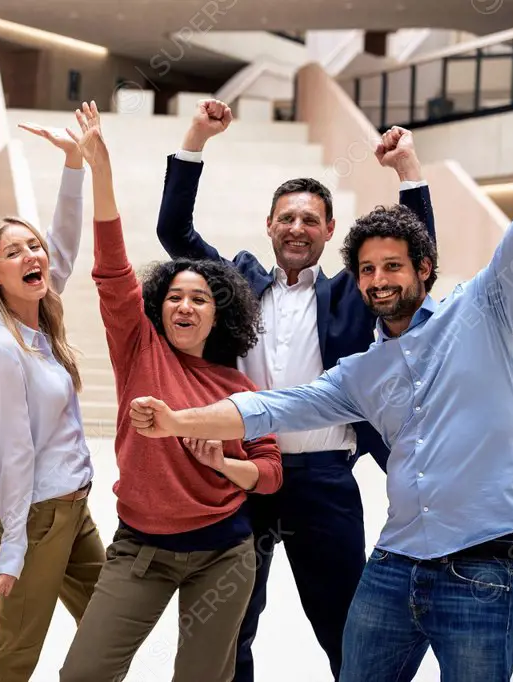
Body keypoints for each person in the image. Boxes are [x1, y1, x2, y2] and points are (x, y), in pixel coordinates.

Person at [130, 180, 513, 681]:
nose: (378, 279)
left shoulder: (481, 307)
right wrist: (175, 422)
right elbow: (270, 408)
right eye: (368, 270)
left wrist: (411, 172)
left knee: (345, 630)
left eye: (392, 267)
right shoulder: (359, 373)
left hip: (473, 560)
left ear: (424, 269)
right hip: (377, 548)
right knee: (278, 641)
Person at [154, 98, 437, 681]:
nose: (297, 228)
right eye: (286, 217)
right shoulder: (235, 282)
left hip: (324, 484)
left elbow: (416, 258)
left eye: (310, 219)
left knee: (348, 629)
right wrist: (196, 138)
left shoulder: (352, 295)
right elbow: (173, 230)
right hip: (243, 479)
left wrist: (410, 173)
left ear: (329, 230)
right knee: (232, 626)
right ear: (269, 225)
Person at [57, 102, 282, 682]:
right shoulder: (139, 347)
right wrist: (99, 170)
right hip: (140, 549)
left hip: (224, 554)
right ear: (160, 307)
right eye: (175, 296)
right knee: (82, 674)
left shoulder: (239, 386)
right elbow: (111, 266)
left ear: (219, 316)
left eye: (200, 298)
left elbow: (271, 470)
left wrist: (230, 468)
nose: (185, 304)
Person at [0, 120, 104, 682]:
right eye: (13, 252)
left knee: (108, 625)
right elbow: (13, 454)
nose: (32, 256)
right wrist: (12, 552)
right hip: (37, 515)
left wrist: (73, 165)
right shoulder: (0, 346)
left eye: (32, 246)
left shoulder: (37, 321)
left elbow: (63, 244)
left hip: (74, 505)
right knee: (16, 653)